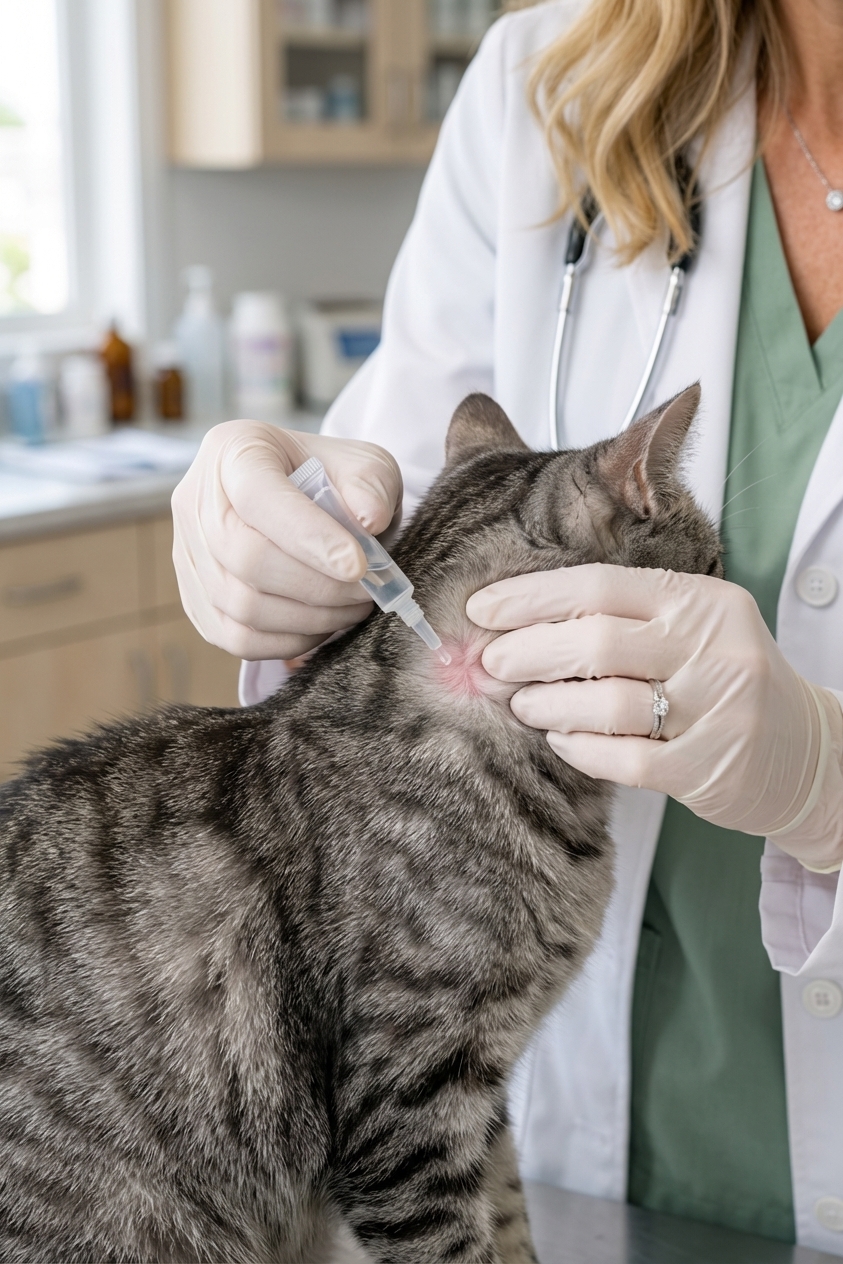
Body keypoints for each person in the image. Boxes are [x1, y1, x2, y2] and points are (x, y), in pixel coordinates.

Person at [171, 0, 843, 1252]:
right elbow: (416, 487)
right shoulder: (551, 82)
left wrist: (833, 778)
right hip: (572, 1140)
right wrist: (275, 540)